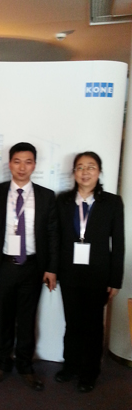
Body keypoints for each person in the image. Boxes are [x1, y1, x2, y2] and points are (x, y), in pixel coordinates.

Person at [0, 142, 58, 391]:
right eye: (17, 161)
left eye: (28, 162)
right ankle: (3, 362)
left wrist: (51, 268)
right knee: (5, 317)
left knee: (27, 318)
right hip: (3, 266)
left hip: (32, 267)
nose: (22, 167)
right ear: (9, 164)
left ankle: (25, 365)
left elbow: (52, 234)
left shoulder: (46, 196)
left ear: (34, 165)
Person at [55, 152, 124, 393]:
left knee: (93, 326)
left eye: (91, 167)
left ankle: (89, 372)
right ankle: (70, 366)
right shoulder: (63, 201)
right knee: (72, 323)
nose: (85, 172)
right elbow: (55, 238)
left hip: (98, 274)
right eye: (80, 167)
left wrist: (115, 279)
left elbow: (119, 243)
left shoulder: (112, 203)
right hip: (69, 273)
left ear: (99, 172)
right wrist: (53, 270)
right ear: (74, 172)